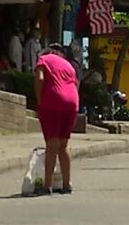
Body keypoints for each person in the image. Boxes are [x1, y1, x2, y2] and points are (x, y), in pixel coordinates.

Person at [33, 44, 80, 195]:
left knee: (52, 144)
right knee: (63, 145)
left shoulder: (43, 60)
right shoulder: (67, 64)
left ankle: (47, 185)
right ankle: (66, 184)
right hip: (72, 102)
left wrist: (40, 99)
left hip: (53, 100)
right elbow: (76, 84)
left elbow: (40, 79)